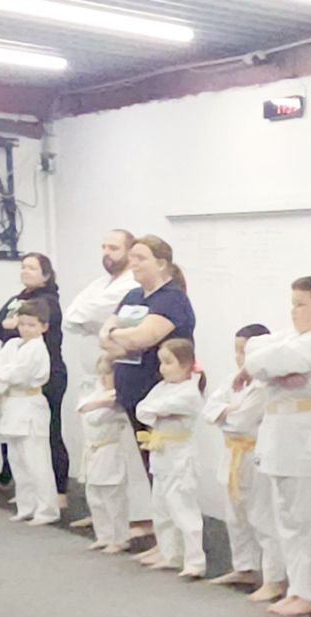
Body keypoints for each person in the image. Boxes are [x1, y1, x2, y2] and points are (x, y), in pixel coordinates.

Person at [244, 277, 311, 617]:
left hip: (306, 441)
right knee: (286, 518)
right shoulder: (289, 339)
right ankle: (297, 587)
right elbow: (254, 351)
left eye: (302, 305)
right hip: (280, 439)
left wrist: (269, 370)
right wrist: (270, 369)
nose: (294, 311)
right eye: (293, 304)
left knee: (307, 519)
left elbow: (271, 361)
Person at [100, 233, 196, 525]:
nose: (134, 264)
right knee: (148, 467)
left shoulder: (172, 299)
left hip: (159, 392)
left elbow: (142, 338)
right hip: (132, 392)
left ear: (162, 263)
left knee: (168, 474)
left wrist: (117, 335)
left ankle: (178, 537)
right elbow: (106, 338)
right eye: (132, 258)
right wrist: (118, 337)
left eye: (141, 258)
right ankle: (160, 532)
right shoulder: (132, 296)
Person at [62, 228, 141, 532]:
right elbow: (72, 316)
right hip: (92, 375)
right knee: (94, 448)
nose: (107, 253)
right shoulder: (98, 284)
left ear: (130, 251)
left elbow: (97, 312)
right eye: (104, 247)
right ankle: (103, 515)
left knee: (122, 452)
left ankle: (136, 517)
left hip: (116, 372)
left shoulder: (131, 285)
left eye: (114, 247)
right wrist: (92, 321)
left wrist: (92, 320)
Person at [0, 252, 67, 505]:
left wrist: (11, 326)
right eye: (23, 266)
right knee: (12, 432)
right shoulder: (17, 299)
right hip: (14, 378)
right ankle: (18, 484)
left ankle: (59, 489)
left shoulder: (49, 301)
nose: (25, 271)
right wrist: (5, 325)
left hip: (44, 376)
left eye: (32, 268)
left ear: (46, 274)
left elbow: (24, 330)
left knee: (48, 433)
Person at [203, 324, 272, 588]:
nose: (239, 357)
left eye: (244, 351)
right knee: (235, 516)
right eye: (237, 350)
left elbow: (242, 421)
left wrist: (225, 413)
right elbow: (208, 409)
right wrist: (228, 411)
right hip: (231, 453)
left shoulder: (265, 385)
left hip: (254, 454)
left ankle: (272, 577)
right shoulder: (231, 380)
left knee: (260, 517)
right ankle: (244, 568)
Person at [134, 337, 208, 579]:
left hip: (180, 457)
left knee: (183, 509)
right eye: (161, 363)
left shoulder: (190, 392)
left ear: (185, 365)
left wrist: (158, 410)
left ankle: (195, 561)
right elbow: (142, 409)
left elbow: (157, 408)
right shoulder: (162, 387)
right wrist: (158, 410)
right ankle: (171, 553)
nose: (162, 368)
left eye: (168, 362)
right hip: (161, 454)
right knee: (161, 508)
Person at [0, 300, 58, 525]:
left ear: (44, 327)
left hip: (30, 402)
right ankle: (26, 506)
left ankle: (47, 509)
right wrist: (4, 374)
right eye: (22, 324)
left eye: (32, 325)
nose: (26, 329)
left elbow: (18, 375)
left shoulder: (38, 349)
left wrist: (3, 374)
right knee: (17, 459)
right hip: (11, 404)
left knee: (36, 460)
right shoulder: (12, 344)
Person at [75, 356, 133, 553]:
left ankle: (120, 538)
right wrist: (100, 403)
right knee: (94, 495)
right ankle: (104, 535)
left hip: (110, 449)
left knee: (113, 496)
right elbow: (82, 408)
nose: (103, 378)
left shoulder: (121, 399)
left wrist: (99, 405)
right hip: (92, 450)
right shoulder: (97, 394)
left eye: (108, 373)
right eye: (101, 373)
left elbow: (96, 415)